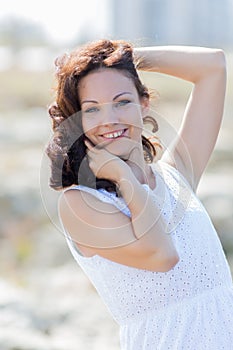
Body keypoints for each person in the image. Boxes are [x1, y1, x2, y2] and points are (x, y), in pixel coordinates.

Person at [46, 39, 233, 349]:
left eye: (122, 101)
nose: (109, 120)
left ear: (143, 103)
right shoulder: (80, 203)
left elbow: (213, 67)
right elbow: (162, 255)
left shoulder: (177, 175)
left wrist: (125, 60)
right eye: (92, 109)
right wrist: (122, 176)